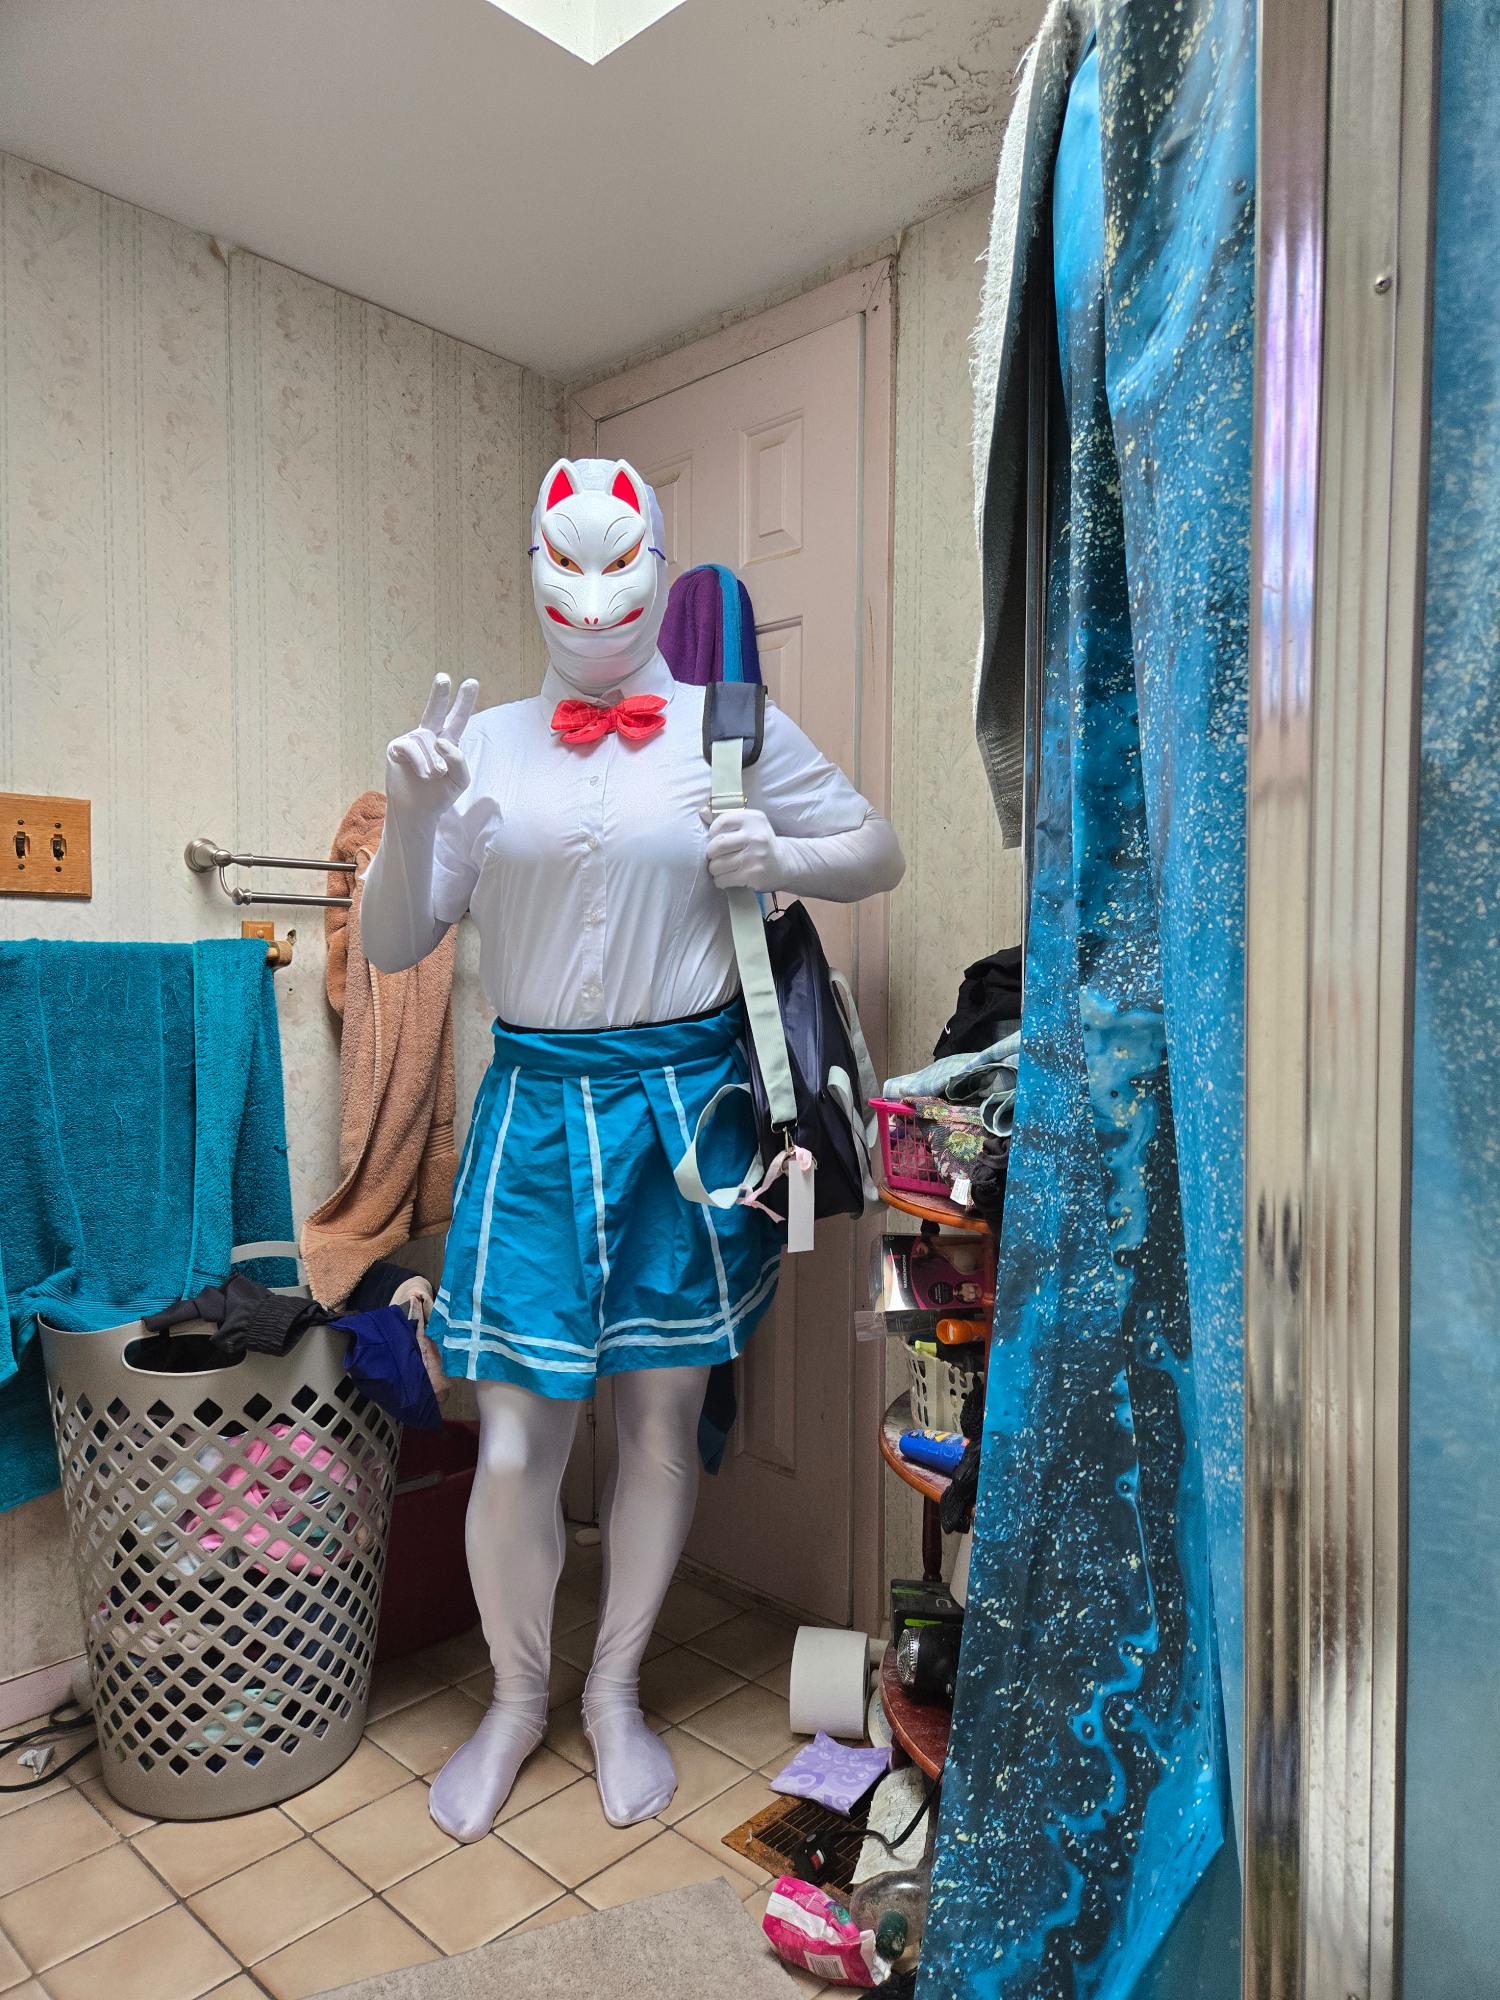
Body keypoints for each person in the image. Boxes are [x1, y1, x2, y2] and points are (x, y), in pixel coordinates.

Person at [360, 456, 904, 1839]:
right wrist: (411, 822)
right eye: (568, 558)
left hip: (686, 1113)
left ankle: (614, 1691)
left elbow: (876, 847)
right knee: (512, 1443)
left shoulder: (729, 725)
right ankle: (513, 1698)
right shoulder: (485, 744)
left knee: (661, 1419)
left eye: (620, 559)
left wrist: (779, 852)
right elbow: (395, 943)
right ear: (532, 570)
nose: (594, 589)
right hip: (536, 1114)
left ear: (659, 564)